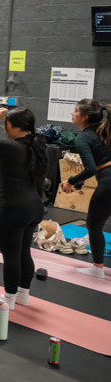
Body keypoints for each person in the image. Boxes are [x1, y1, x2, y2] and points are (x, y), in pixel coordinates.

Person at [0, 107, 47, 309]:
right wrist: (39, 206)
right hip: (33, 207)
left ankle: (9, 300)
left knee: (11, 255)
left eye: (7, 124)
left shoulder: (11, 147)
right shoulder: (37, 146)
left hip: (13, 209)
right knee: (23, 252)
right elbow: (39, 180)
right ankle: (23, 295)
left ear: (17, 127)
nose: (4, 128)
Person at [60, 99, 111, 279]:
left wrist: (71, 181)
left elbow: (90, 169)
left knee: (93, 225)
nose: (72, 113)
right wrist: (79, 182)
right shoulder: (103, 131)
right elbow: (99, 163)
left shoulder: (83, 138)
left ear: (85, 117)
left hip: (108, 182)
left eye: (75, 111)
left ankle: (97, 268)